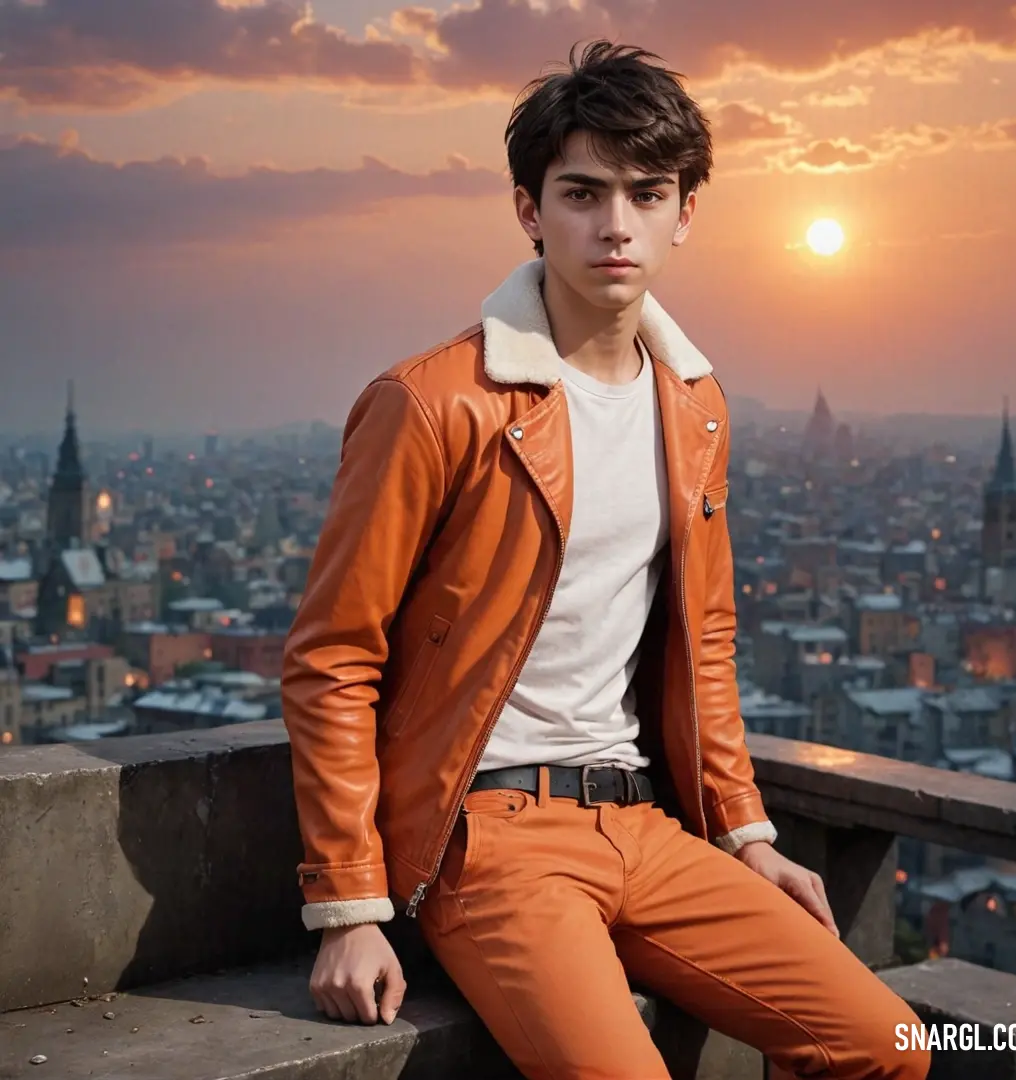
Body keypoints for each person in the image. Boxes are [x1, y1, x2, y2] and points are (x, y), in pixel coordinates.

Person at [280, 40, 931, 1080]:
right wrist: (347, 908)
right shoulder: (436, 403)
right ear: (531, 211)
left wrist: (747, 831)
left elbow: (703, 637)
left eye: (646, 192)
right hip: (491, 840)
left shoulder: (695, 406)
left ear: (684, 214)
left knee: (889, 1045)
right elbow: (332, 657)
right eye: (582, 192)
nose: (615, 224)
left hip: (650, 829)